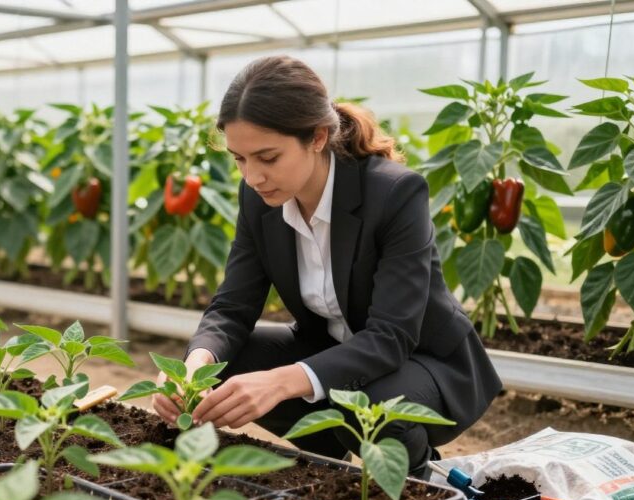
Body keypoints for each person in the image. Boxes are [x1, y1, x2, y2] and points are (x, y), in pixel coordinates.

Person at [152, 55, 502, 478]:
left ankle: (412, 479)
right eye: (240, 159)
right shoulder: (258, 200)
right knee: (228, 364)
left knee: (376, 405)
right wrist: (193, 369)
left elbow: (392, 337)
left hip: (422, 361)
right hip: (333, 352)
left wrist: (281, 382)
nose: (252, 177)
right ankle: (325, 463)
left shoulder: (393, 193)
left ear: (317, 137)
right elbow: (231, 308)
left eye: (268, 157)